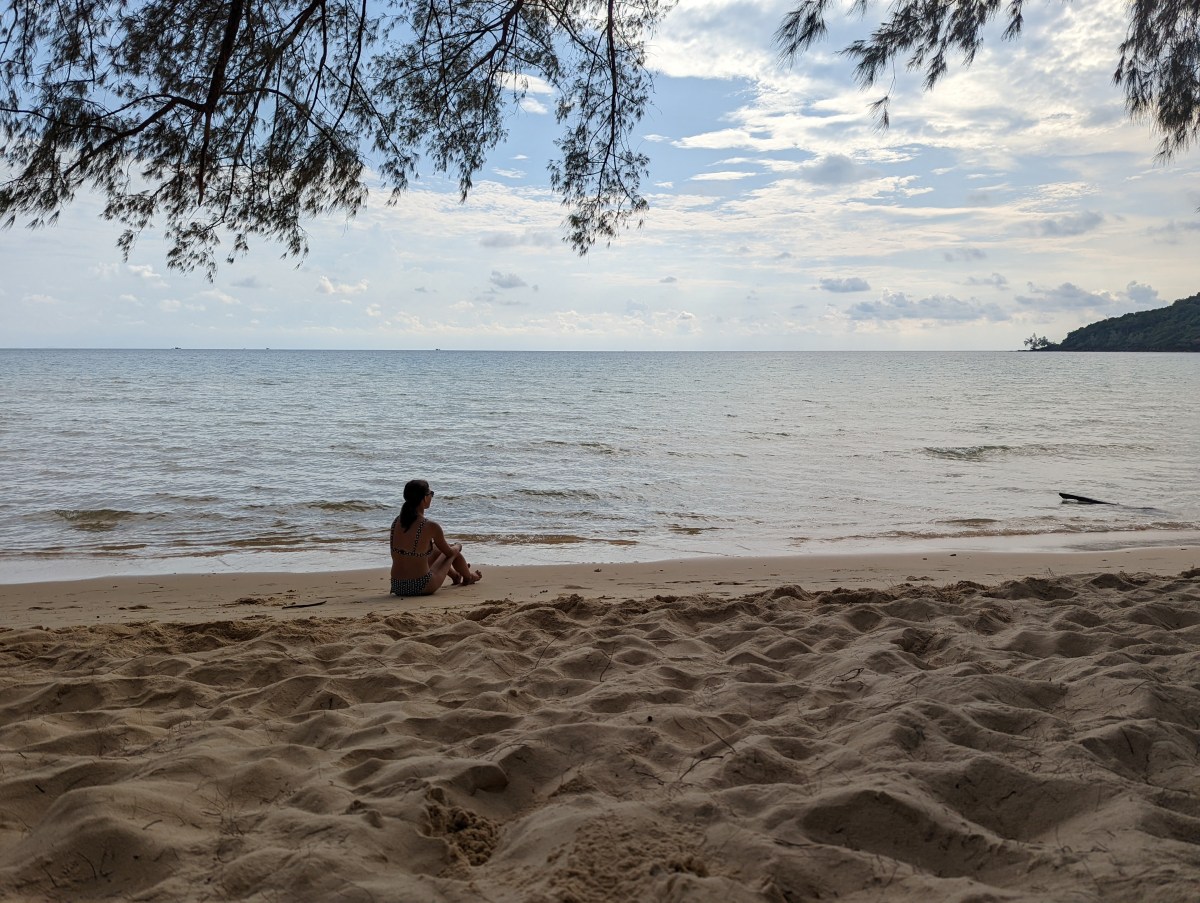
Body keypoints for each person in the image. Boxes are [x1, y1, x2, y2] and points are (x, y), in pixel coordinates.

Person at [389, 479, 481, 596]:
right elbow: (449, 553)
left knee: (436, 550)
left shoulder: (396, 521)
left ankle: (456, 576)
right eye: (431, 493)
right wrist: (458, 546)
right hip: (420, 585)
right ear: (425, 498)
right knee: (453, 551)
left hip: (398, 586)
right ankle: (469, 576)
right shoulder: (430, 526)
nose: (431, 496)